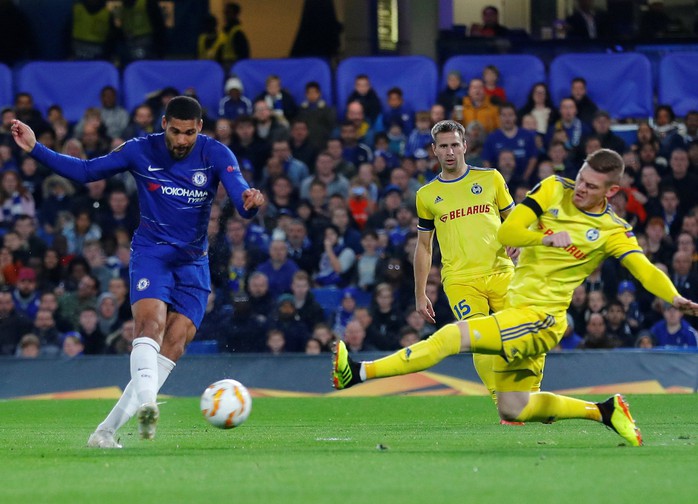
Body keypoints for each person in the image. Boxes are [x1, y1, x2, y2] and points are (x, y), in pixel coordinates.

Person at [333, 148, 698, 447]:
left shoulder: (612, 231)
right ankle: (604, 411)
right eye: (581, 178)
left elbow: (644, 269)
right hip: (517, 308)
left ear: (611, 192)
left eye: (590, 185)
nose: (580, 188)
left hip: (541, 319)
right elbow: (508, 228)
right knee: (513, 408)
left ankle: (358, 373)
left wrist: (674, 296)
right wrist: (543, 238)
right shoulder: (555, 188)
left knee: (452, 336)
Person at [11, 96, 264, 447]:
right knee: (150, 326)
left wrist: (250, 204)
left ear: (199, 129)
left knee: (174, 344)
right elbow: (87, 171)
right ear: (164, 124)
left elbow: (241, 198)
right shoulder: (139, 150)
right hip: (152, 253)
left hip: (193, 261)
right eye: (175, 131)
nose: (180, 140)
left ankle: (105, 432)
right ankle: (148, 404)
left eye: (188, 133)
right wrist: (36, 148)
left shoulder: (216, 154)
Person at [407, 120, 521, 422]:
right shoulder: (427, 195)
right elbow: (424, 246)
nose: (449, 151)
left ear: (465, 146)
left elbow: (515, 220)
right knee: (480, 338)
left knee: (522, 335)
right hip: (460, 280)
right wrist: (420, 293)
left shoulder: (491, 179)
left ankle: (528, 397)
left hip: (501, 271)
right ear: (434, 150)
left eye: (454, 144)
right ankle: (504, 404)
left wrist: (519, 241)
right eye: (443, 146)